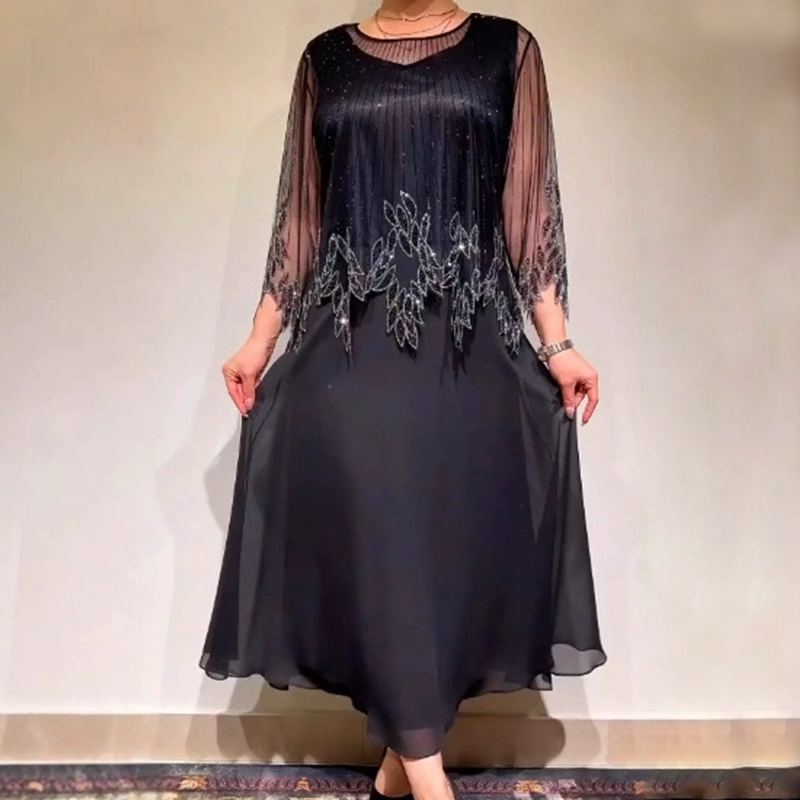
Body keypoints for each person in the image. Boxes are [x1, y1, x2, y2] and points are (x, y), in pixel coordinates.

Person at [199, 3, 607, 799]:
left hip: (469, 347)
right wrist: (258, 340)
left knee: (435, 563)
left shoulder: (507, 50)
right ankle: (429, 782)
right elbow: (301, 218)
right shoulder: (325, 60)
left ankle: (397, 769)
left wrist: (557, 344)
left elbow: (529, 212)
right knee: (382, 544)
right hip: (351, 347)